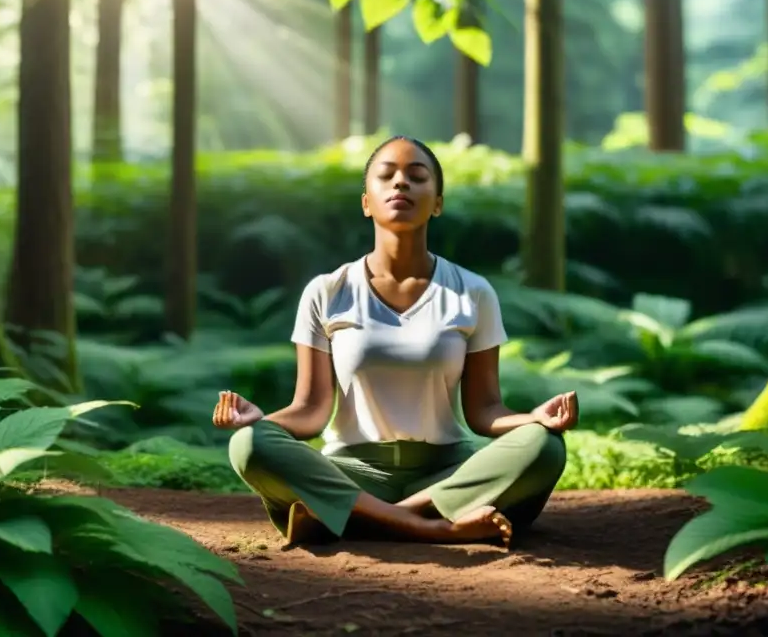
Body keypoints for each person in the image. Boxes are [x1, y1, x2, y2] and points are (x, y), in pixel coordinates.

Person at [212, 135, 578, 548]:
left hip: (446, 472)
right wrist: (262, 422)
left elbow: (484, 410)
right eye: (386, 176)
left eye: (416, 177)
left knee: (543, 447)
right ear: (367, 202)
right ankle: (430, 526)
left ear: (437, 202)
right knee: (249, 443)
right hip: (353, 471)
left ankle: (359, 518)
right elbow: (311, 410)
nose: (400, 183)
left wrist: (534, 419)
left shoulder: (472, 292)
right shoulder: (327, 291)